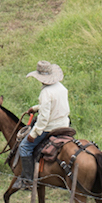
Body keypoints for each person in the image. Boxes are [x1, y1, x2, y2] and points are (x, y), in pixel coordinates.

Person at [17, 60, 70, 188]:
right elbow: (53, 105)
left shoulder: (46, 92)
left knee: (24, 146)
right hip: (64, 125)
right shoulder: (61, 88)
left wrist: (34, 134)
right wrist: (36, 108)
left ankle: (28, 181)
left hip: (50, 127)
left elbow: (44, 118)